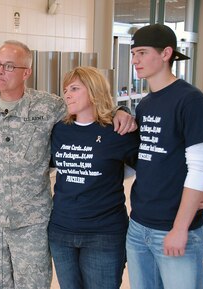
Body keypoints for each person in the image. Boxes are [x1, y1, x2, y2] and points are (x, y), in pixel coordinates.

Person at [0, 40, 136, 289]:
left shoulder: (50, 107)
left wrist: (121, 110)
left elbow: (91, 109)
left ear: (26, 72)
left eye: (8, 66)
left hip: (33, 222)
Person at [126, 23, 203, 289]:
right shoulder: (146, 103)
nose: (136, 59)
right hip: (139, 225)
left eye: (142, 52)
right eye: (134, 53)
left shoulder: (190, 100)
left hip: (174, 228)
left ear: (166, 53)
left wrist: (180, 228)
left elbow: (200, 166)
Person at [48, 66, 139, 289]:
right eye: (66, 89)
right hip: (62, 231)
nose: (67, 94)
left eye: (75, 88)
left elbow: (149, 169)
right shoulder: (59, 130)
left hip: (104, 233)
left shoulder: (117, 131)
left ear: (94, 91)